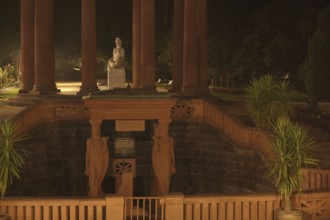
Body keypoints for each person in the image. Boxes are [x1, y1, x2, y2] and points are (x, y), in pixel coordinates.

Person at [152, 122, 176, 196]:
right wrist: (155, 141)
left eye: (167, 128)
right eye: (165, 128)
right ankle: (163, 193)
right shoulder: (159, 140)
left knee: (167, 177)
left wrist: (173, 164)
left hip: (168, 160)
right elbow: (155, 151)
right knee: (161, 177)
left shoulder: (170, 140)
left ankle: (166, 192)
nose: (166, 129)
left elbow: (172, 152)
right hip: (160, 160)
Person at [85, 132, 109, 197]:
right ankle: (93, 193)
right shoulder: (89, 141)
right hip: (92, 161)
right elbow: (87, 153)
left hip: (100, 161)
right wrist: (86, 165)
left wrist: (105, 142)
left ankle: (97, 191)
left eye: (97, 130)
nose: (96, 131)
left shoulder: (102, 141)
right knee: (93, 176)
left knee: (99, 177)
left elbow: (105, 151)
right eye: (95, 129)